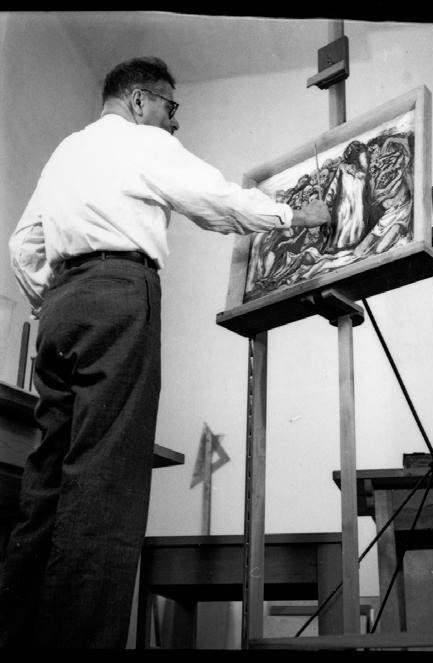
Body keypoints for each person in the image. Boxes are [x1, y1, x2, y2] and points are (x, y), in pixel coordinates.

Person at [0, 56, 330, 649]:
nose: (175, 122)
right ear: (138, 100)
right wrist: (293, 214)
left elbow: (23, 245)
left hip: (60, 309)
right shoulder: (143, 142)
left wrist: (55, 299)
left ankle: (15, 637)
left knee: (46, 480)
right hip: (118, 292)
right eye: (170, 107)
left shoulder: (67, 151)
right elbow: (214, 198)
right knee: (106, 480)